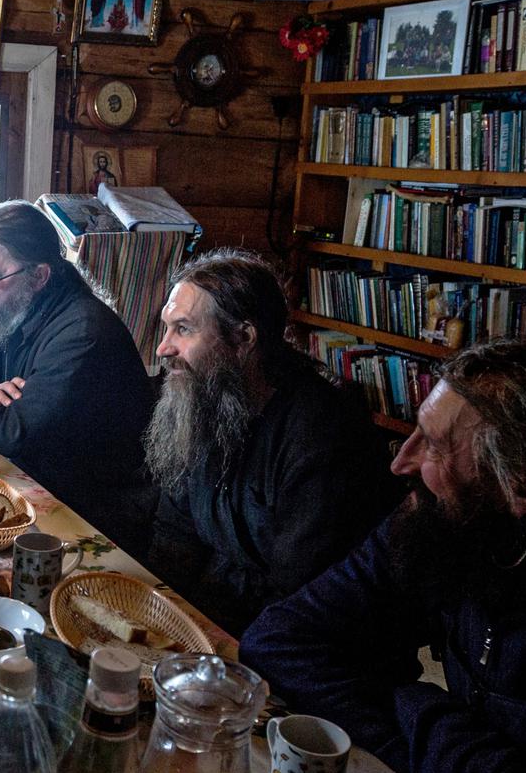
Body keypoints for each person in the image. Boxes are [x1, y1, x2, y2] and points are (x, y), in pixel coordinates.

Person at [241, 340, 526, 773]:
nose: (401, 462)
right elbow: (277, 640)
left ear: (524, 488)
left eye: (433, 445)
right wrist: (431, 759)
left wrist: (415, 702)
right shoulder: (450, 530)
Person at [144, 248, 398, 635]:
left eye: (184, 329)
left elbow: (296, 596)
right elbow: (173, 533)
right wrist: (153, 615)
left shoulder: (322, 436)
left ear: (244, 338)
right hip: (218, 614)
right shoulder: (207, 397)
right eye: (167, 327)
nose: (164, 348)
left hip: (299, 640)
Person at [0, 201, 154, 541]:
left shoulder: (83, 331)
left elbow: (13, 430)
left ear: (38, 276)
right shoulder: (0, 305)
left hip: (94, 515)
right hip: (31, 484)